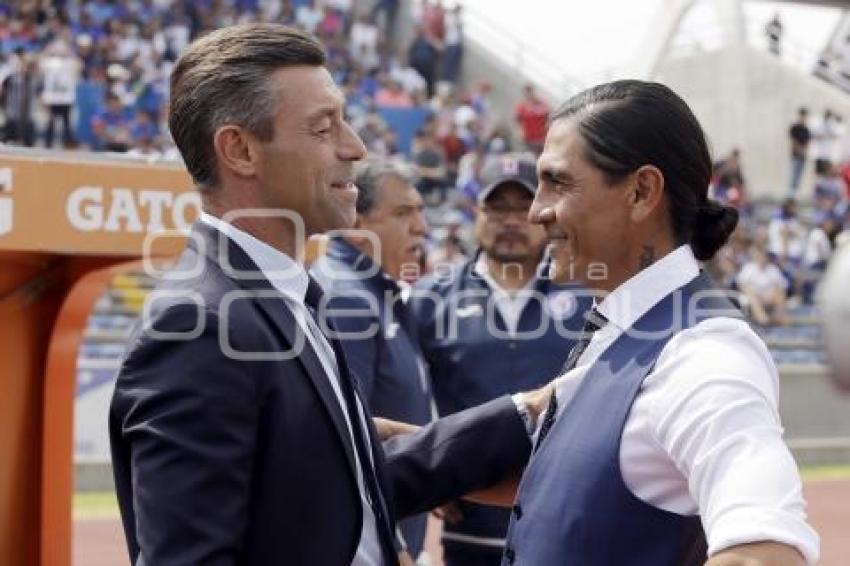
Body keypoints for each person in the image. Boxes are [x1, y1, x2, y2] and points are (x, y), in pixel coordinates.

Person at [109, 24, 543, 566]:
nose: (355, 147)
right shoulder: (198, 326)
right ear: (240, 149)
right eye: (323, 127)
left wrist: (527, 411)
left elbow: (342, 483)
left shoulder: (289, 295)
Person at [497, 80, 819, 565]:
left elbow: (764, 553)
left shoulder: (705, 353)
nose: (537, 210)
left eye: (558, 182)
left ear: (641, 192)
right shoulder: (626, 328)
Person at [410, 153, 590, 565]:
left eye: (522, 208)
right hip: (470, 529)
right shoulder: (428, 298)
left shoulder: (588, 294)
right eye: (497, 208)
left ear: (544, 215)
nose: (510, 220)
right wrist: (429, 472)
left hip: (567, 521)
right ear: (477, 213)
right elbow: (404, 391)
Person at [310, 158, 433, 559]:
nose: (421, 228)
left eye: (419, 212)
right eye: (403, 213)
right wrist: (393, 544)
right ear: (355, 223)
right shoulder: (347, 298)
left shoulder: (379, 293)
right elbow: (344, 437)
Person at [514, 84, 550, 155]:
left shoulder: (542, 104)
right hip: (528, 139)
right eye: (526, 92)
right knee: (528, 158)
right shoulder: (522, 107)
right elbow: (517, 121)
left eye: (529, 91)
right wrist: (519, 132)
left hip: (540, 139)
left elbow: (549, 118)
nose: (528, 94)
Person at [788, 107, 810, 194]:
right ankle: (791, 194)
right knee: (794, 174)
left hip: (802, 155)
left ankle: (795, 193)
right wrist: (799, 150)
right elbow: (793, 141)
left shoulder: (806, 129)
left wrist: (804, 151)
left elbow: (807, 142)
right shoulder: (795, 127)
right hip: (796, 154)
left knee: (799, 175)